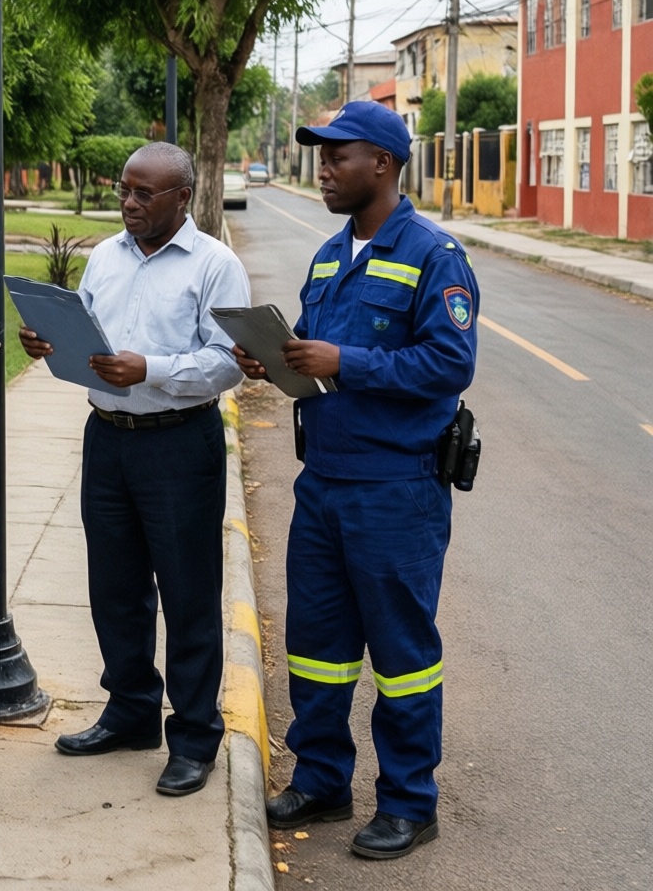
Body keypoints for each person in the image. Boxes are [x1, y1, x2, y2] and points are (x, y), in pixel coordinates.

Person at [234, 102, 478, 861]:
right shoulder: (331, 255)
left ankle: (410, 801)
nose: (325, 169)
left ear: (382, 161)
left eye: (337, 156)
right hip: (325, 482)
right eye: (322, 157)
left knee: (402, 654)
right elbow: (314, 350)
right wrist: (275, 360)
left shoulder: (434, 255)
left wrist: (348, 363)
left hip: (395, 489)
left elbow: (450, 363)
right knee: (317, 646)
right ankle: (323, 779)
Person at [19, 142, 250, 797]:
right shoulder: (106, 258)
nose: (128, 202)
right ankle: (130, 712)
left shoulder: (215, 266)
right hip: (109, 440)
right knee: (115, 588)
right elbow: (88, 337)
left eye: (144, 194)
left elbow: (228, 362)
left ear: (182, 198)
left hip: (180, 443)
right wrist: (49, 342)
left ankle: (196, 736)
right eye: (124, 189)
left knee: (188, 595)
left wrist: (148, 368)